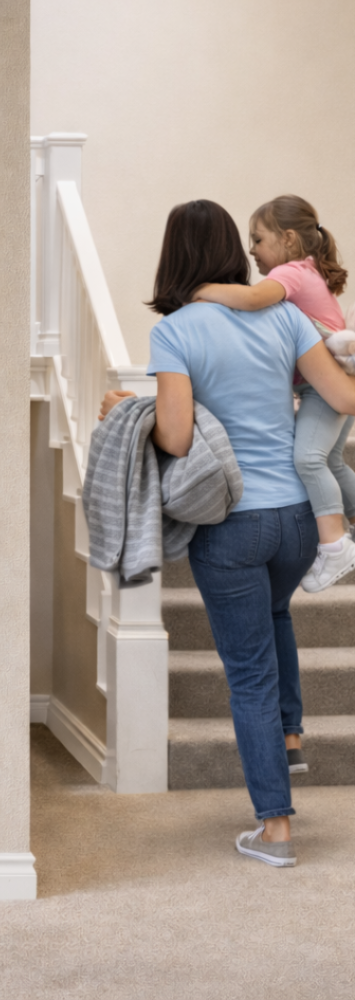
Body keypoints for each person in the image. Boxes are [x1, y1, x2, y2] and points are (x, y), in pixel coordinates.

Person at [100, 200, 355, 867]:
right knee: (276, 618)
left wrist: (132, 411)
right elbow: (340, 396)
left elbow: (177, 435)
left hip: (233, 527)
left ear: (174, 256)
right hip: (298, 517)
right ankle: (291, 738)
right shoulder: (287, 314)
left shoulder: (177, 332)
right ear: (231, 255)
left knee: (248, 676)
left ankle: (274, 827)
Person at [193, 194, 355, 591]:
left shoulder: (295, 273)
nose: (252, 249)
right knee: (332, 462)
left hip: (325, 390)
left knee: (309, 459)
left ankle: (335, 545)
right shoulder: (312, 271)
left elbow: (251, 299)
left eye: (258, 239)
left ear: (287, 239)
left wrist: (203, 290)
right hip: (335, 382)